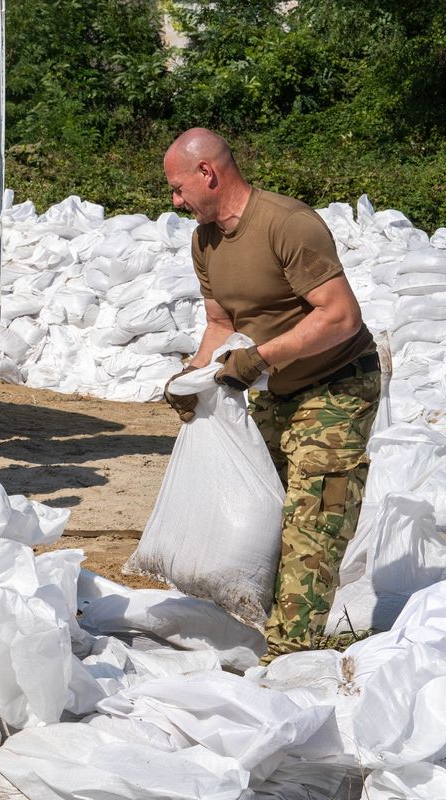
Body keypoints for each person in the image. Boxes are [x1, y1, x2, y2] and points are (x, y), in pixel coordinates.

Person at [161, 127, 379, 660]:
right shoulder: (205, 239)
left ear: (207, 173)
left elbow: (342, 317)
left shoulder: (288, 224)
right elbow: (220, 322)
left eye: (177, 188)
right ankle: (261, 628)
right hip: (273, 387)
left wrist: (260, 358)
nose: (175, 201)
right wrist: (191, 377)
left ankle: (289, 658)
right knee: (262, 511)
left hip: (336, 383)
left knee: (313, 519)